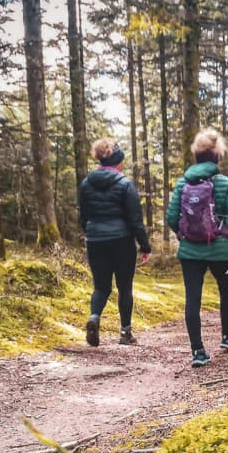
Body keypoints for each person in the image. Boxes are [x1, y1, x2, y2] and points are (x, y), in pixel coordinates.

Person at [165, 128, 228, 367]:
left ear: (196, 156)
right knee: (226, 291)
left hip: (189, 251)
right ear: (217, 156)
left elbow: (171, 216)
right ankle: (227, 336)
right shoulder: (223, 183)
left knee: (193, 299)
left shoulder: (182, 183)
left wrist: (183, 234)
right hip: (220, 251)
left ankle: (198, 351)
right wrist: (226, 235)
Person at [78, 137, 150, 347]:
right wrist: (145, 246)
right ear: (117, 162)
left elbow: (83, 215)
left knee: (101, 287)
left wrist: (90, 233)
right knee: (124, 286)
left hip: (95, 239)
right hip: (122, 240)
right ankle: (125, 333)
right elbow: (135, 220)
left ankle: (94, 316)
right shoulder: (125, 184)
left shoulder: (86, 183)